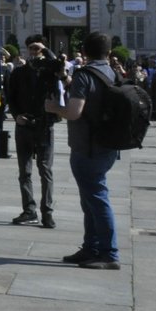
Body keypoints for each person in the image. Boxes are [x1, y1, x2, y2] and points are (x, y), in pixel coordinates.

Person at [46, 31, 124, 271]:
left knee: (97, 199)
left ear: (84, 53)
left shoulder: (84, 75)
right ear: (108, 52)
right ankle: (91, 247)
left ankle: (109, 253)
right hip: (109, 143)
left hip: (87, 146)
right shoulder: (112, 72)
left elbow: (74, 112)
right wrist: (70, 82)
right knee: (90, 199)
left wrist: (52, 107)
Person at [5, 36, 60, 229]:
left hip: (45, 125)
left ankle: (47, 213)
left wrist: (47, 51)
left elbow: (60, 69)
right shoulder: (19, 72)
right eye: (31, 48)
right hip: (24, 124)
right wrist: (16, 115)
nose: (34, 52)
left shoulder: (50, 71)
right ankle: (29, 210)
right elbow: (10, 97)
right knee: (24, 171)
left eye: (38, 49)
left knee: (45, 170)